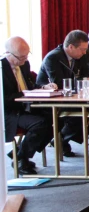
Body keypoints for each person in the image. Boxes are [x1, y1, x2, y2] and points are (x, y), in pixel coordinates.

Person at [37, 30, 89, 151]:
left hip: (71, 96)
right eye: (82, 49)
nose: (85, 52)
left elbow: (86, 76)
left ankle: (63, 139)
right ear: (70, 47)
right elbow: (60, 83)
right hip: (50, 100)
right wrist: (82, 81)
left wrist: (85, 80)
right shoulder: (53, 57)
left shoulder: (79, 56)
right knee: (86, 109)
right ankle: (62, 140)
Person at [3, 37, 53, 174]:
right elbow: (4, 99)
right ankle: (21, 158)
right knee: (40, 123)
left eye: (26, 55)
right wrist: (24, 94)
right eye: (21, 57)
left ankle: (19, 154)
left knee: (55, 118)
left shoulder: (24, 64)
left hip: (26, 107)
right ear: (7, 53)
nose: (24, 60)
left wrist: (44, 88)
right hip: (9, 112)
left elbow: (30, 86)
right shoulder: (2, 69)